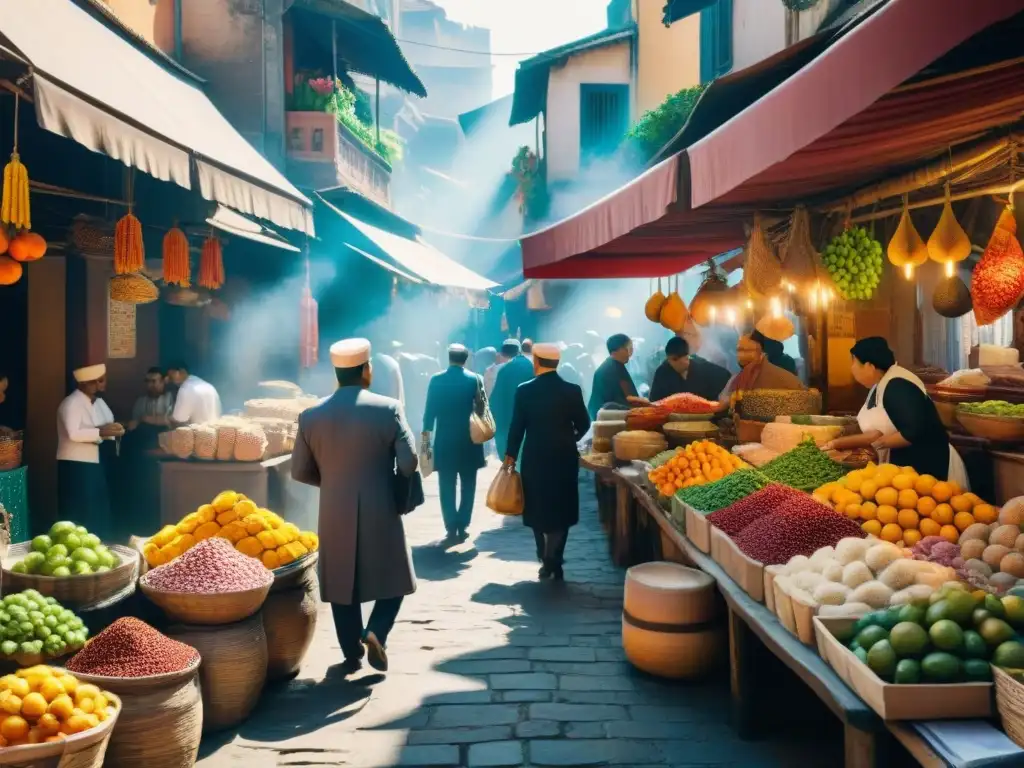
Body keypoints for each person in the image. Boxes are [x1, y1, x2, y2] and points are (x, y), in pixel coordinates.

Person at [291, 338, 418, 673]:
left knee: (341, 580)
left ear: (337, 375)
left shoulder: (310, 416)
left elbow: (300, 471)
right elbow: (409, 463)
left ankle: (350, 652)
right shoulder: (388, 408)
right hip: (381, 504)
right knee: (396, 576)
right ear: (366, 371)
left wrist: (335, 483)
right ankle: (376, 629)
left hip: (333, 508)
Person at [823, 337, 969, 484]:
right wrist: (835, 444)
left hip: (929, 469)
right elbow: (876, 433)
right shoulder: (880, 384)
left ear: (869, 366)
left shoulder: (898, 386)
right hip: (904, 472)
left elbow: (912, 432)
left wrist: (875, 447)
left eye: (853, 362)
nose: (851, 368)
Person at [505, 343, 591, 581]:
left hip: (535, 457)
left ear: (536, 362)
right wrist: (570, 438)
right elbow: (585, 424)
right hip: (564, 457)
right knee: (561, 508)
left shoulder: (524, 390)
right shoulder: (571, 390)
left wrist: (510, 456)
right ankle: (555, 558)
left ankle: (544, 556)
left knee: (536, 505)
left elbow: (517, 427)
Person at [422, 344, 487, 541]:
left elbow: (429, 413)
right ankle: (463, 523)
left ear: (448, 358)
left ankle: (450, 524)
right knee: (469, 484)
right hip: (469, 441)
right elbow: (482, 410)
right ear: (465, 359)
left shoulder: (436, 380)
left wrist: (426, 441)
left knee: (446, 484)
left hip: (445, 440)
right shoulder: (475, 379)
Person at [57, 364, 124, 539]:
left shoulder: (96, 402)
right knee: (81, 508)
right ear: (87, 383)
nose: (103, 384)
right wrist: (102, 431)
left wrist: (111, 429)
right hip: (76, 463)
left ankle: (100, 543)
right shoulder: (71, 403)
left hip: (94, 461)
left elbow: (104, 424)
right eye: (99, 381)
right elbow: (74, 433)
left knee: (96, 506)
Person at [718, 332, 804, 407]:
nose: (743, 355)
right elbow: (722, 402)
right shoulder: (736, 379)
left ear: (762, 353)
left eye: (749, 350)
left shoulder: (777, 375)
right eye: (739, 350)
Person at [650, 336, 732, 402]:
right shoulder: (661, 373)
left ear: (687, 357)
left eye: (677, 359)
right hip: (672, 420)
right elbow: (654, 403)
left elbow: (729, 379)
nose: (674, 363)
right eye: (672, 360)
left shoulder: (704, 367)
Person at [490, 339, 533, 461]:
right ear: (519, 351)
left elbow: (494, 401)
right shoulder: (532, 367)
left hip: (506, 428)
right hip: (528, 429)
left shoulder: (502, 370)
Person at [587, 334, 638, 418]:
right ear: (617, 350)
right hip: (607, 419)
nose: (631, 353)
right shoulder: (610, 370)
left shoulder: (614, 365)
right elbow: (627, 399)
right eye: (629, 349)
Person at [128, 368, 174, 432]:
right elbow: (134, 423)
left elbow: (173, 420)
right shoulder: (141, 402)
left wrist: (146, 419)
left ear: (163, 381)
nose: (149, 385)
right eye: (148, 381)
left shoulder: (171, 398)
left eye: (153, 381)